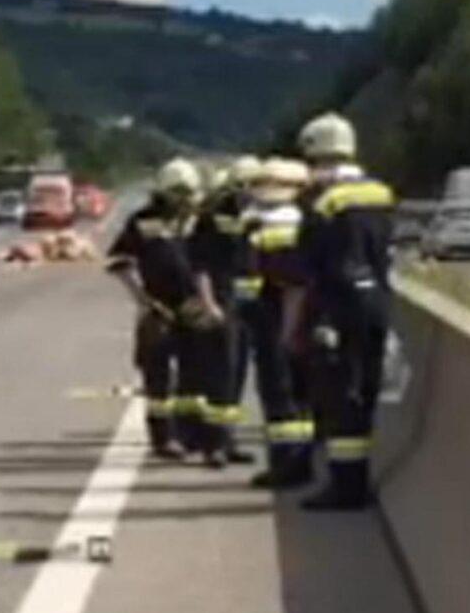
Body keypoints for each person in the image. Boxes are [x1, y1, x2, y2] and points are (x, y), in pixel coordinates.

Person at [284, 114, 397, 511]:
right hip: (377, 304)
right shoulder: (381, 194)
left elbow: (304, 273)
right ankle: (357, 481)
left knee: (339, 399)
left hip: (338, 309)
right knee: (364, 393)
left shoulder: (324, 203)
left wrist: (293, 327)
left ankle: (345, 487)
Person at [107, 159, 219, 462]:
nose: (182, 200)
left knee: (196, 371)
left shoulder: (199, 219)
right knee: (157, 374)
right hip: (158, 305)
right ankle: (163, 438)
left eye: (187, 194)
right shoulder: (144, 221)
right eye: (177, 194)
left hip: (193, 303)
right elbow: (120, 263)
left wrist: (209, 301)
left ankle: (193, 434)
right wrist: (142, 300)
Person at [241, 158, 316, 489]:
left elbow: (289, 283)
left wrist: (287, 330)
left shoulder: (270, 225)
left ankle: (287, 465)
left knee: (279, 392)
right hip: (291, 317)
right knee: (297, 393)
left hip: (277, 317)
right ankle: (298, 460)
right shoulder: (299, 219)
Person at [189, 158, 257, 465]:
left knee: (239, 372)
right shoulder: (213, 218)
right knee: (221, 373)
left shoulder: (260, 215)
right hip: (222, 299)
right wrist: (209, 304)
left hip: (251, 303)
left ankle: (228, 440)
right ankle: (213, 444)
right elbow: (200, 265)